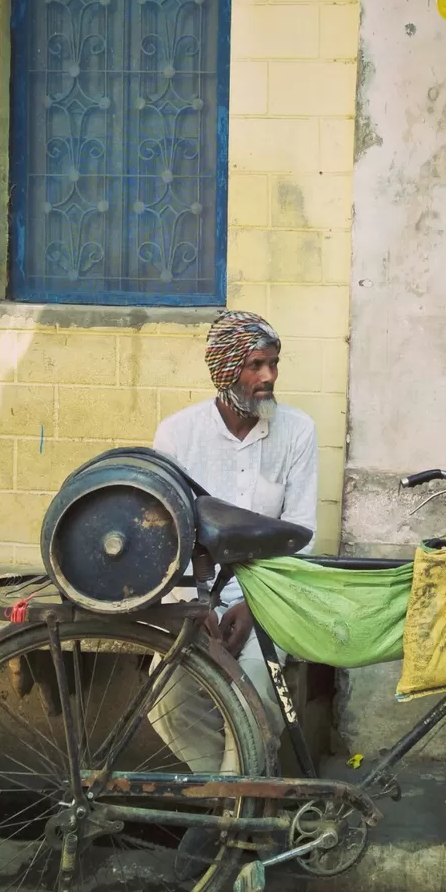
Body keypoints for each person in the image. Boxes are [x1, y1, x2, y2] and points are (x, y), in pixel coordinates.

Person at [147, 310, 318, 779]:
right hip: (193, 604)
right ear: (226, 370)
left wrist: (255, 606)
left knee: (256, 706)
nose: (269, 378)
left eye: (274, 364)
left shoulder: (298, 431)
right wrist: (195, 607)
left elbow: (300, 532)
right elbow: (167, 537)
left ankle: (231, 817)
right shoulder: (178, 434)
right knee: (167, 703)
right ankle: (230, 799)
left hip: (268, 603)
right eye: (256, 365)